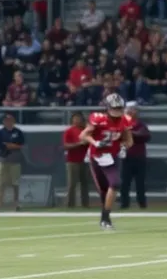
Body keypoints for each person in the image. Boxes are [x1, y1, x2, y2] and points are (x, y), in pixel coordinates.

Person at [81, 93, 130, 228]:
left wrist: (123, 145)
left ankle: (105, 218)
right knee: (104, 190)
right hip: (97, 156)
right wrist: (95, 143)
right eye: (114, 108)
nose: (117, 111)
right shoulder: (98, 119)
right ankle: (105, 219)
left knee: (115, 183)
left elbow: (129, 140)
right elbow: (83, 135)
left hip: (112, 157)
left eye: (119, 108)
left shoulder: (124, 120)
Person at [120, 101, 150, 210]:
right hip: (127, 156)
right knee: (125, 182)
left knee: (140, 182)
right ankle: (124, 203)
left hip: (139, 156)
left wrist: (130, 133)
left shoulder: (140, 124)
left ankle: (142, 203)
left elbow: (145, 135)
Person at [0, 113, 25, 211]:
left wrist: (9, 145)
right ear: (4, 122)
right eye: (6, 120)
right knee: (0, 183)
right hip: (2, 160)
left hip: (15, 160)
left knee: (15, 183)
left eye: (10, 120)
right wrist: (11, 145)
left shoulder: (18, 132)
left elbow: (20, 145)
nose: (8, 122)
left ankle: (15, 204)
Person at [61, 112, 91, 208]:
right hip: (72, 160)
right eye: (75, 118)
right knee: (72, 184)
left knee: (85, 183)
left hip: (85, 160)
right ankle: (70, 204)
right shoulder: (69, 131)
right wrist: (79, 143)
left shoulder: (86, 131)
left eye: (79, 118)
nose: (77, 120)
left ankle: (85, 204)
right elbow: (65, 146)